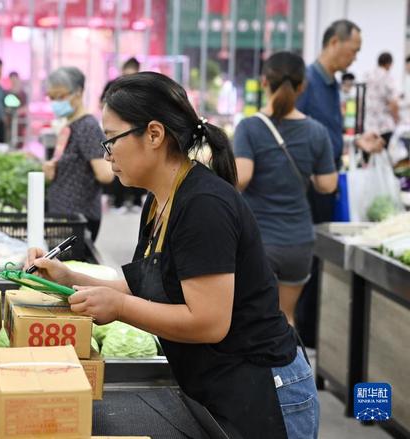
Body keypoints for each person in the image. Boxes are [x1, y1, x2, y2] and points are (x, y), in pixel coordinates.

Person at [28, 72, 319, 439]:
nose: (108, 153)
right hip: (217, 388)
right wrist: (70, 278)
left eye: (112, 140)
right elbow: (153, 284)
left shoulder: (203, 205)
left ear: (154, 134)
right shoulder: (159, 200)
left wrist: (117, 308)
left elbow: (209, 322)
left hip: (264, 392)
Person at [295, 19, 385, 347]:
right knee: (306, 259)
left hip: (328, 185)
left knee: (320, 260)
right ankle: (301, 333)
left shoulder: (332, 85)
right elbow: (293, 132)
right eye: (354, 50)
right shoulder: (305, 82)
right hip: (307, 189)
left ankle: (314, 333)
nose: (355, 57)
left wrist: (357, 142)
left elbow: (328, 136)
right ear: (335, 42)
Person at [234, 52, 338, 326]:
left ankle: (257, 371)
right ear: (302, 86)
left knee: (253, 318)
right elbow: (328, 185)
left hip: (259, 241)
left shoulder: (249, 127)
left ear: (264, 81)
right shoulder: (317, 131)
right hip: (298, 242)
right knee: (285, 318)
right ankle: (289, 371)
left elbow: (242, 177)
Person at [43, 67, 113, 241]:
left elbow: (105, 174)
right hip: (65, 216)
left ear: (79, 92)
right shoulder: (70, 125)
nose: (55, 102)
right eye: (52, 97)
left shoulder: (87, 127)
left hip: (79, 219)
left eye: (60, 96)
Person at [100, 57, 147, 212]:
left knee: (137, 165)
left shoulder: (140, 87)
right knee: (118, 163)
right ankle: (118, 201)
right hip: (119, 132)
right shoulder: (113, 86)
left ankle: (136, 202)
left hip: (135, 132)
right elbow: (102, 103)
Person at [364, 52, 400, 148]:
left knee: (371, 156)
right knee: (386, 156)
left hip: (369, 124)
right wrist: (397, 119)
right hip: (384, 125)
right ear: (388, 64)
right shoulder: (388, 77)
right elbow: (394, 103)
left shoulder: (368, 75)